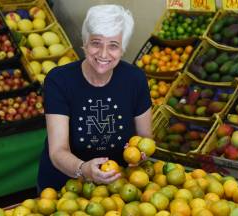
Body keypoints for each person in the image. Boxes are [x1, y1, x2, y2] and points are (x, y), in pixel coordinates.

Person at [37, 4, 152, 192]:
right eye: (96, 43)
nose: (103, 54)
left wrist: (140, 154)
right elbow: (58, 151)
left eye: (113, 45)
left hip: (117, 187)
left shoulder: (135, 79)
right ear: (84, 43)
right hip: (64, 187)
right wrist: (83, 169)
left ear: (123, 49)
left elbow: (145, 139)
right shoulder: (59, 80)